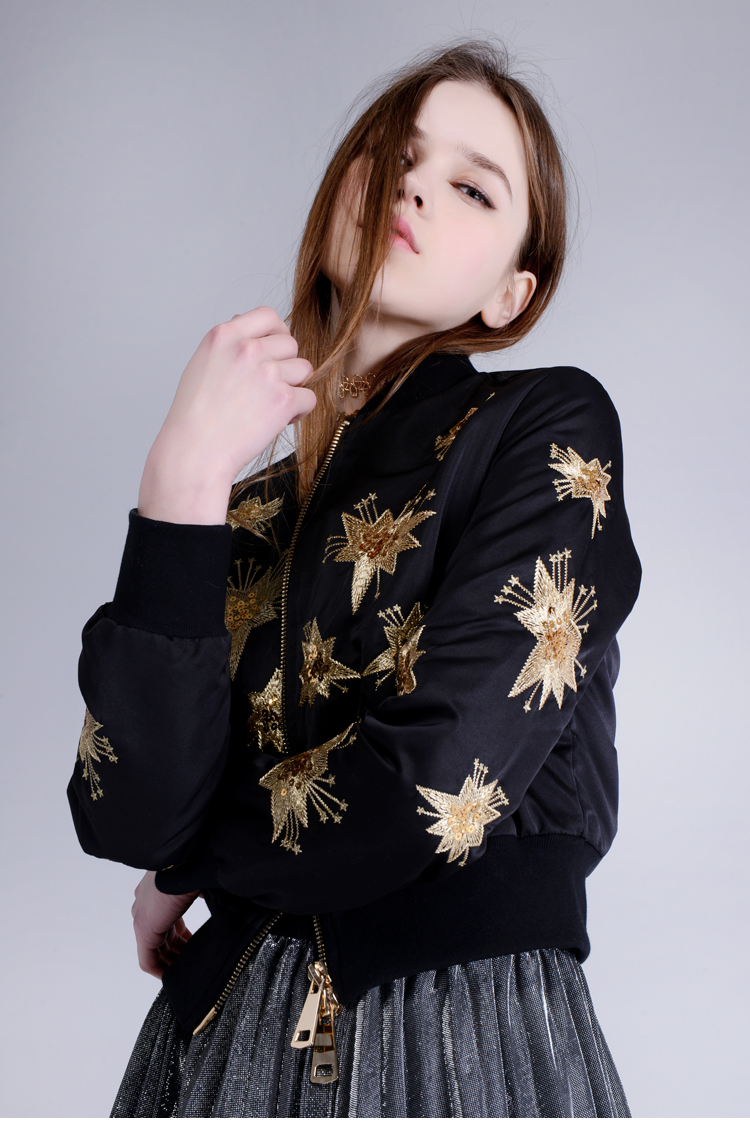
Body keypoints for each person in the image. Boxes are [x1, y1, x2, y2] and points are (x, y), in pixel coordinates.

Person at [68, 39, 641, 1118]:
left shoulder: (544, 431)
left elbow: (432, 786)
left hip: (466, 1027)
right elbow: (125, 815)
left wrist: (196, 864)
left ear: (513, 290)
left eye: (473, 187)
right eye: (398, 154)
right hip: (225, 1030)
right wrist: (179, 482)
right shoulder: (241, 508)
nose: (414, 187)